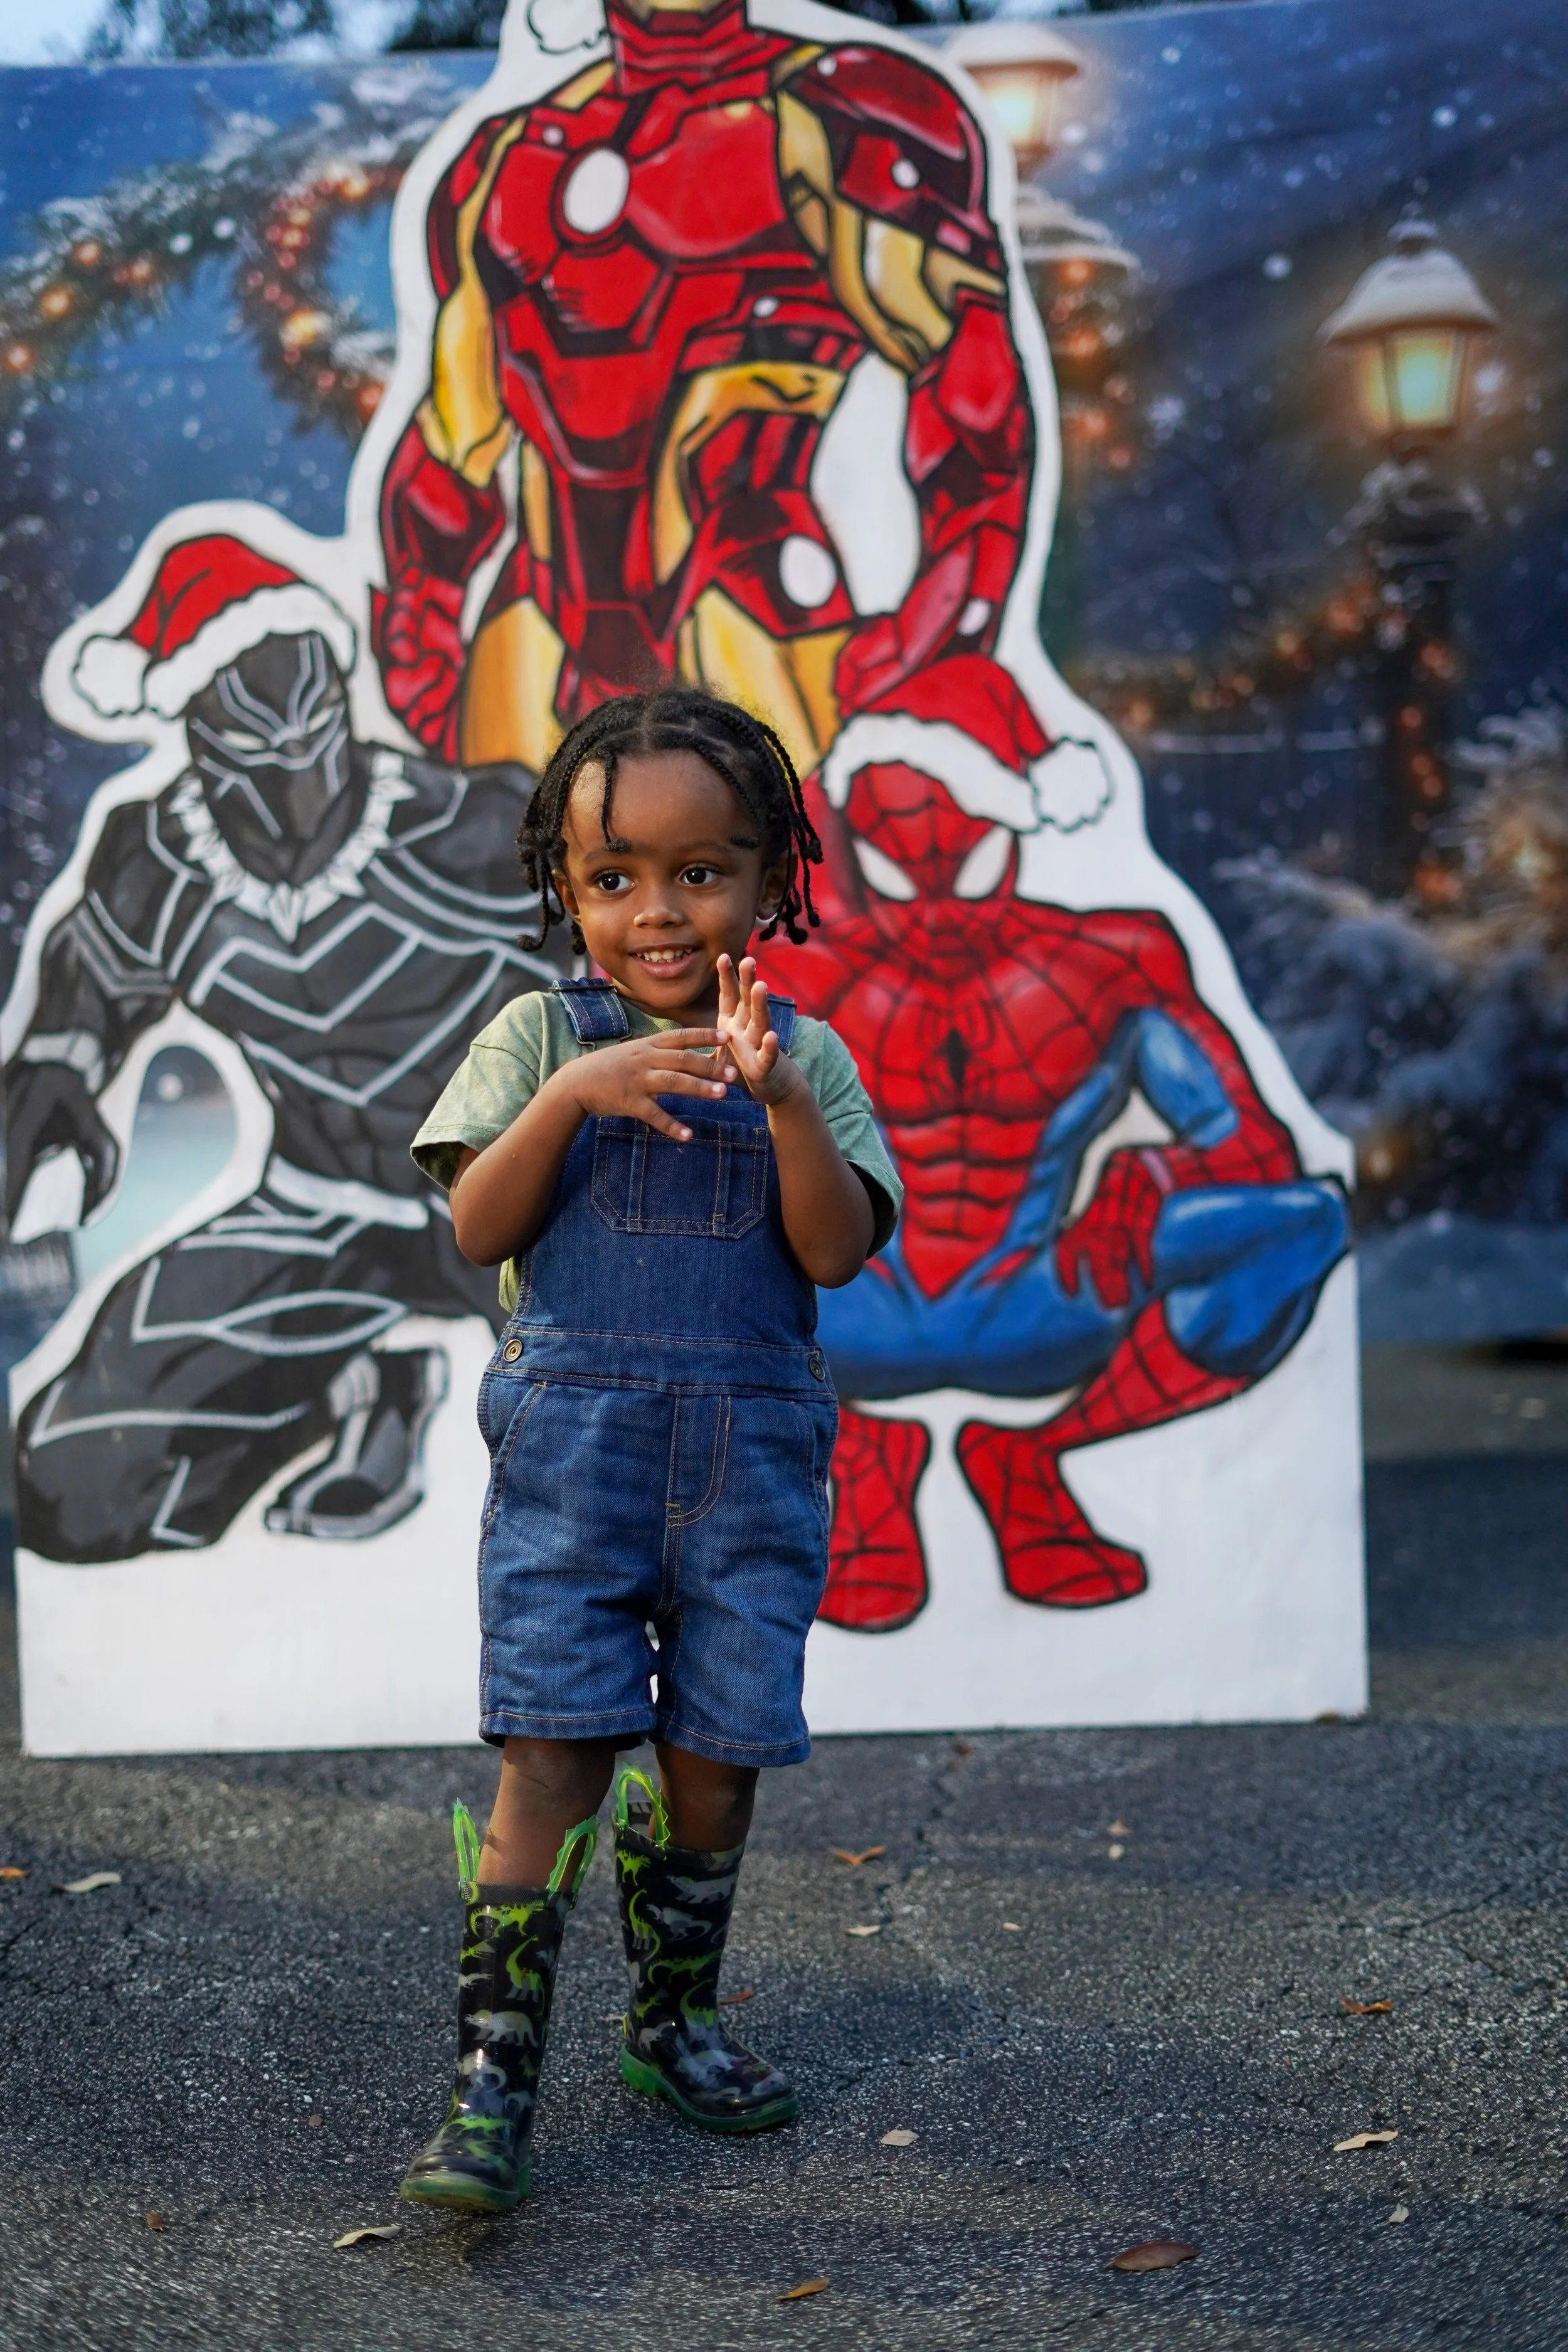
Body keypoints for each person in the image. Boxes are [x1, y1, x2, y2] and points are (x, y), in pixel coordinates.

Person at [401, 683, 901, 2213]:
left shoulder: (802, 1056)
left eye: (701, 872)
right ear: (565, 887)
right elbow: (477, 1224)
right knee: (548, 1749)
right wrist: (572, 1096)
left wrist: (782, 1105)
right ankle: (492, 2075)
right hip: (577, 1466)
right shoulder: (537, 1036)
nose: (659, 912)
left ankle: (671, 2018)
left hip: (746, 1473)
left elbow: (830, 1255)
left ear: (771, 878)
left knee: (716, 1766)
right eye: (613, 879)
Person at [8, 529, 565, 1559]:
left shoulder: (470, 828)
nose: (296, 777)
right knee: (76, 1480)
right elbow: (84, 997)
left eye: (313, 731)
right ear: (195, 734)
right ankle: (364, 1385)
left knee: (622, 1460)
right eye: (257, 748)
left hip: (510, 1203)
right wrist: (54, 1071)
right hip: (317, 1207)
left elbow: (641, 970)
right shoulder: (161, 860)